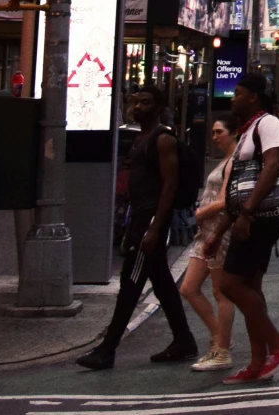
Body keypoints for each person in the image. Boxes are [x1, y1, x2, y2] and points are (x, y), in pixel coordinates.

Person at [78, 86, 197, 370]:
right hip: (140, 216)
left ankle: (108, 349)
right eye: (135, 101)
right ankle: (184, 341)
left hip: (149, 219)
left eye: (145, 102)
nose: (138, 106)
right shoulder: (140, 138)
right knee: (162, 282)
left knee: (131, 284)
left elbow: (170, 185)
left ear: (158, 107)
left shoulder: (162, 139)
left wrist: (155, 228)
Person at [214, 74, 279, 384]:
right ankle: (258, 363)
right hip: (250, 216)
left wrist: (246, 215)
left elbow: (273, 165)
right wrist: (220, 231)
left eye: (238, 93)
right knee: (250, 288)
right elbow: (236, 189)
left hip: (261, 218)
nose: (232, 98)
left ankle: (277, 344)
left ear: (253, 97)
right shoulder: (249, 130)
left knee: (230, 284)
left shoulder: (269, 124)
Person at [179, 116, 240, 372]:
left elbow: (226, 200)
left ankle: (222, 350)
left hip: (219, 231)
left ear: (233, 132)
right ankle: (219, 338)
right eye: (213, 132)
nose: (214, 137)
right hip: (206, 232)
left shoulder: (234, 161)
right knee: (188, 287)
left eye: (219, 132)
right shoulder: (225, 160)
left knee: (220, 292)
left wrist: (199, 214)